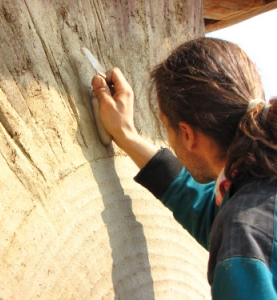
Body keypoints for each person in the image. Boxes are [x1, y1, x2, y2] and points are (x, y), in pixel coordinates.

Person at [91, 37, 277, 299]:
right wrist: (128, 135)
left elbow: (233, 228)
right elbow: (212, 213)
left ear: (187, 135)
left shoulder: (242, 243)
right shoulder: (260, 192)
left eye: (167, 128)